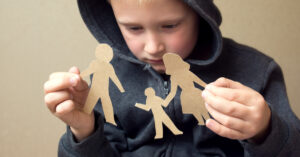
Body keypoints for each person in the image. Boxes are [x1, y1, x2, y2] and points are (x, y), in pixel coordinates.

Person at [43, 0, 300, 156]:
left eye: (170, 26)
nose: (153, 47)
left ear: (200, 15)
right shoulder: (109, 79)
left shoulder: (255, 71)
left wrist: (265, 131)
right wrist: (83, 131)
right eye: (134, 28)